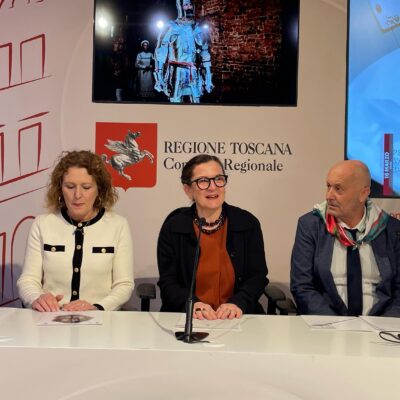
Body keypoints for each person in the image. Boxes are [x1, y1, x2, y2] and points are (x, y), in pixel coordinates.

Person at [17, 150, 134, 312]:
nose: (77, 195)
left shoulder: (118, 225)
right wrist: (37, 298)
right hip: (50, 318)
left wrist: (98, 307)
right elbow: (28, 280)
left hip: (100, 319)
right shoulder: (43, 224)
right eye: (70, 187)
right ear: (60, 188)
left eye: (86, 187)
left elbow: (124, 285)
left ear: (99, 189)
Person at [157, 154, 268, 320]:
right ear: (188, 190)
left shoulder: (247, 223)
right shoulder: (174, 227)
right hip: (190, 317)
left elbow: (257, 276)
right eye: (203, 181)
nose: (213, 187)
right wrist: (192, 304)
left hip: (236, 317)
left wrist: (238, 303)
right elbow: (168, 282)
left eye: (218, 179)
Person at [291, 160, 400, 317]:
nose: (329, 196)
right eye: (328, 186)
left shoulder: (391, 229)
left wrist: (384, 323)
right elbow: (302, 287)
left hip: (379, 325)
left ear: (363, 194)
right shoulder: (311, 226)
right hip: (326, 323)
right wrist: (336, 325)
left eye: (338, 189)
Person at [154, 0, 213, 103]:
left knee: (196, 101)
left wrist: (208, 77)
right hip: (176, 71)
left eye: (190, 4)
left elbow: (205, 52)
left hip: (193, 71)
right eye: (186, 4)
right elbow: (161, 52)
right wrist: (159, 76)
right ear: (180, 7)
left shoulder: (198, 27)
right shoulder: (171, 26)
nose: (189, 7)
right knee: (175, 101)